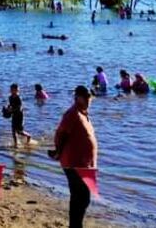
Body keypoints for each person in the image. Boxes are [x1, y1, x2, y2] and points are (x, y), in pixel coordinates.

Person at [51, 86, 97, 228]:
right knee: (81, 197)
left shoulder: (82, 113)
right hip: (74, 163)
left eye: (90, 97)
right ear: (77, 97)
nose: (88, 100)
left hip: (85, 163)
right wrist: (58, 151)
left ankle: (75, 225)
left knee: (82, 198)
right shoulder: (72, 114)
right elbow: (61, 133)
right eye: (86, 97)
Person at [7, 83, 31, 147]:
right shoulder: (10, 97)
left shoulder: (18, 98)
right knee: (13, 130)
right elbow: (10, 105)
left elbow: (19, 108)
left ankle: (28, 136)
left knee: (19, 131)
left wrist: (12, 110)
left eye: (15, 90)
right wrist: (8, 109)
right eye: (11, 89)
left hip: (19, 116)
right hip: (14, 115)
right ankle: (16, 144)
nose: (13, 91)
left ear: (17, 90)